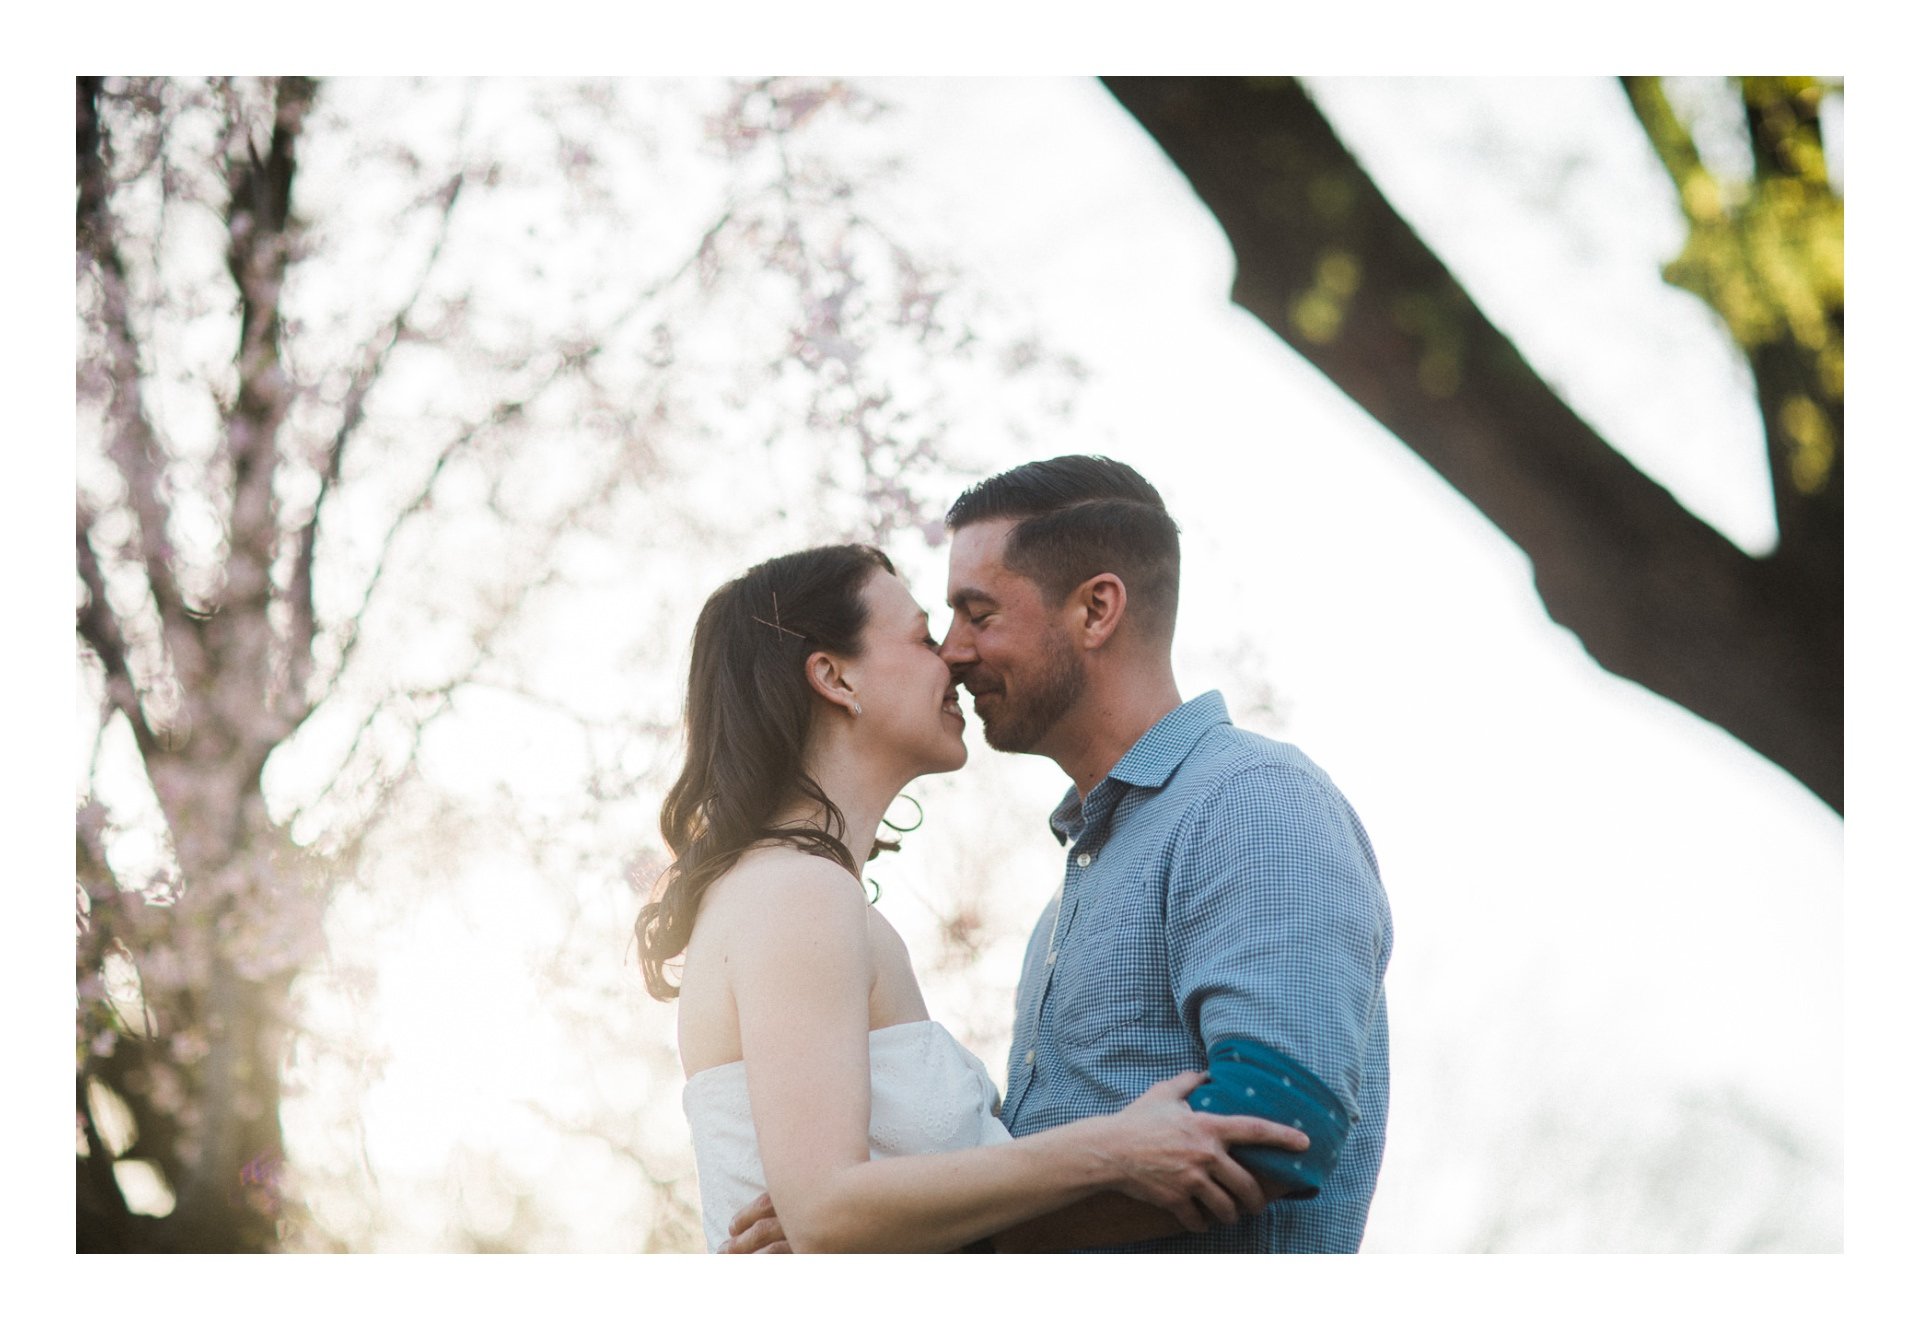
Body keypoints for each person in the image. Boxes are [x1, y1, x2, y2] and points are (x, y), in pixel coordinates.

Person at [725, 455, 1392, 1253]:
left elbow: (1273, 1126)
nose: (955, 652)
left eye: (979, 613)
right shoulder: (1075, 888)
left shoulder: (1251, 800)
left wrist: (926, 1246)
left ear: (1096, 611)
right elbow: (1026, 1169)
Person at [637, 541, 1310, 1253]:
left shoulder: (805, 893)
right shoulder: (798, 892)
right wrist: (1112, 1149)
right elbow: (826, 1213)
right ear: (834, 677)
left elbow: (829, 1214)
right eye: (926, 636)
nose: (955, 659)